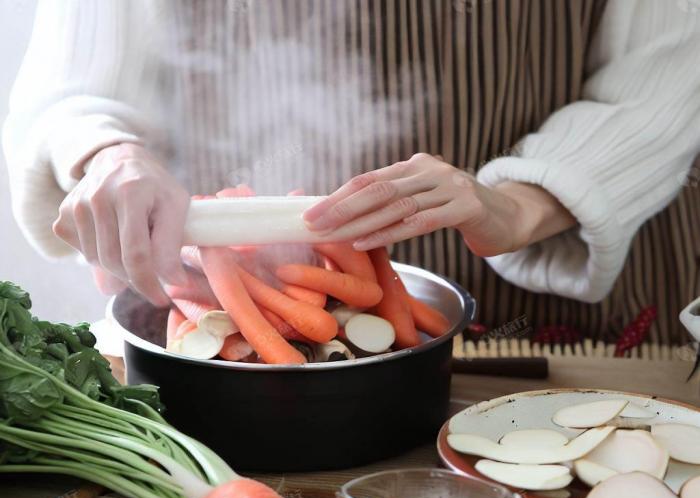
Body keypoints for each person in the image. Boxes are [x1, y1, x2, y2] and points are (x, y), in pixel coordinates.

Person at [4, 0, 700, 344]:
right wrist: (108, 154)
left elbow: (665, 74)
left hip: (570, 323)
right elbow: (78, 81)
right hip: (244, 312)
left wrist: (520, 205)